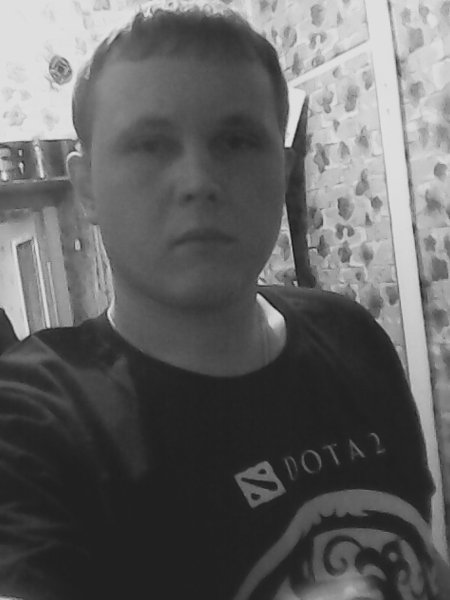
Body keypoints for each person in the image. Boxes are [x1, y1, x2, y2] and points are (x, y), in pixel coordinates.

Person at [0, 7, 448, 600]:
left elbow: (420, 553)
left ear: (282, 170)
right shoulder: (29, 422)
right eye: (150, 145)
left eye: (235, 141)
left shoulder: (350, 333)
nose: (198, 181)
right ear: (87, 189)